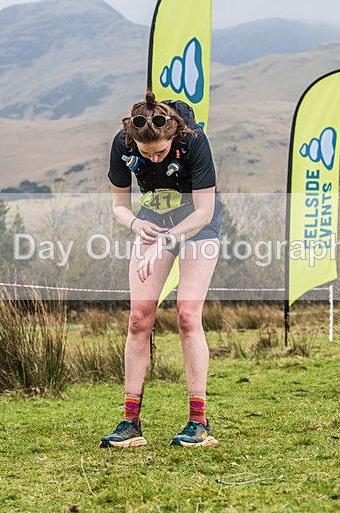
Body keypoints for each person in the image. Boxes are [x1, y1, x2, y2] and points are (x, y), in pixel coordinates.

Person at [101, 92, 222, 448]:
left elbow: (204, 212)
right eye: (146, 153)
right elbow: (119, 205)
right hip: (152, 222)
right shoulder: (122, 144)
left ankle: (199, 423)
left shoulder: (194, 141)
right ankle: (130, 423)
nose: (153, 159)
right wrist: (135, 223)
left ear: (173, 136)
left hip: (197, 227)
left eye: (160, 153)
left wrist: (166, 241)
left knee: (187, 314)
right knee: (139, 317)